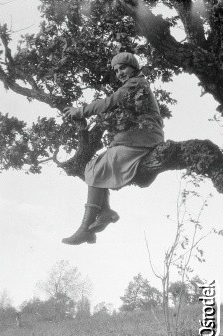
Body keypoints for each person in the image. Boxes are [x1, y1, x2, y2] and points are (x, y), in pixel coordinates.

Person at [61, 52, 164, 245]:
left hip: (145, 136)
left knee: (98, 166)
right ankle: (105, 211)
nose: (119, 73)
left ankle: (86, 228)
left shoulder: (136, 83)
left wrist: (79, 111)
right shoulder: (134, 85)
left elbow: (109, 103)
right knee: (95, 165)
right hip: (138, 136)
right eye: (116, 70)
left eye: (123, 67)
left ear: (134, 67)